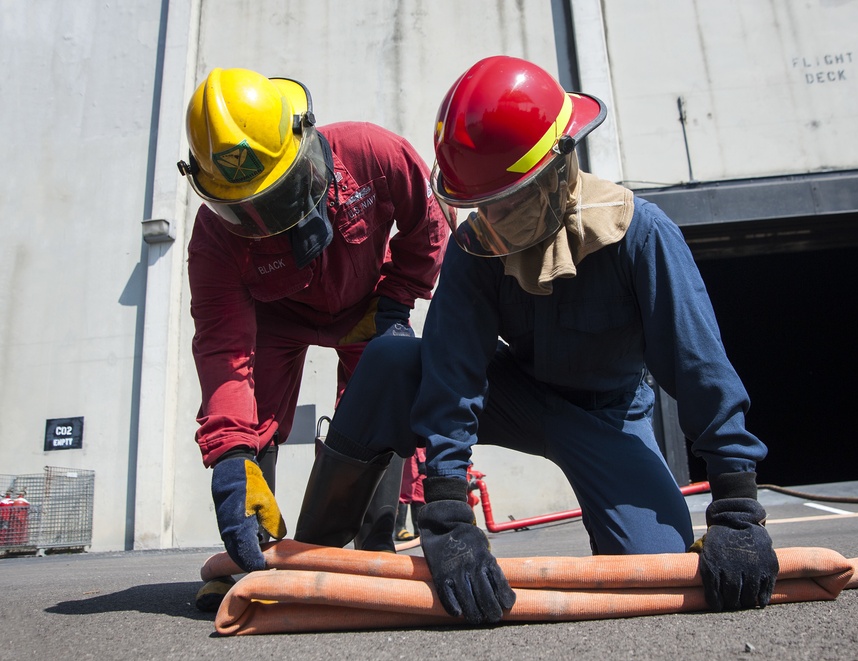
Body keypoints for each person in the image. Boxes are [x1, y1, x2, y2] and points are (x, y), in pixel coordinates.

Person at [294, 55, 779, 624]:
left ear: (559, 166)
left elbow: (702, 371)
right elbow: (453, 374)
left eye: (509, 202)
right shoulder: (477, 248)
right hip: (517, 396)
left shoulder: (640, 235)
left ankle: (652, 536)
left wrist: (737, 507)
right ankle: (312, 558)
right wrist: (447, 511)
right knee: (390, 361)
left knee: (655, 573)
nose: (492, 222)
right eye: (482, 206)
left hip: (609, 415)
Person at [176, 68, 449, 610]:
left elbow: (429, 226)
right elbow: (225, 352)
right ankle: (258, 556)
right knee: (252, 420)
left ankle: (375, 548)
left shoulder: (373, 155)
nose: (262, 223)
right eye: (242, 211)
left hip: (368, 301)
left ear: (305, 147)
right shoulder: (213, 243)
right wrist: (230, 456)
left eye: (274, 200)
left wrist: (397, 303)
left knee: (381, 399)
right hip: (276, 317)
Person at [394, 446, 426, 542]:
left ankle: (419, 530)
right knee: (406, 487)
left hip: (425, 452)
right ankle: (400, 528)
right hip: (412, 451)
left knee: (420, 492)